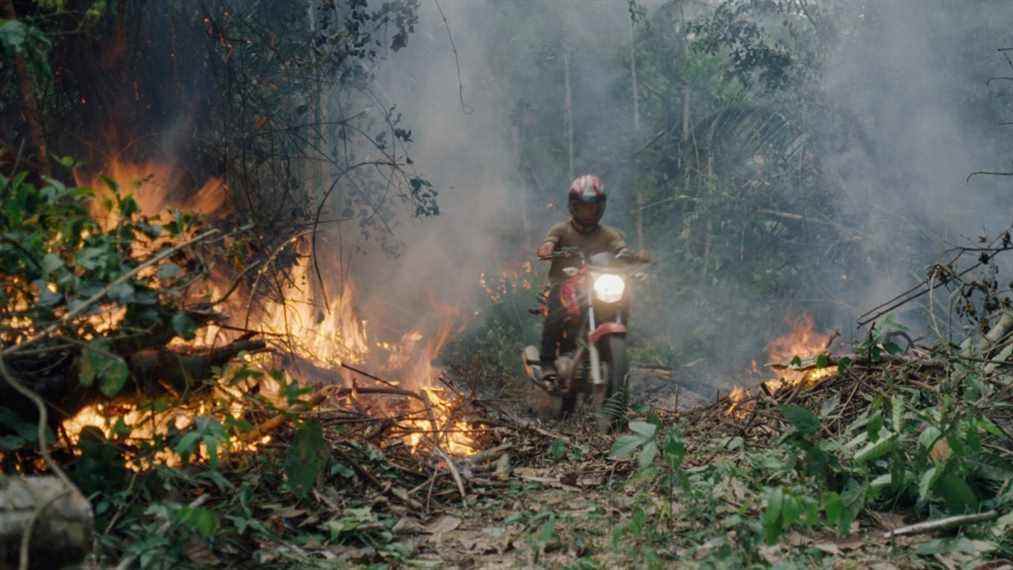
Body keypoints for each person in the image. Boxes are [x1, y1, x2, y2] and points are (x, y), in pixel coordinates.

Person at [535, 175, 629, 378]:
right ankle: (547, 363)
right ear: (573, 206)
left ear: (600, 208)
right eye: (584, 207)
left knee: (623, 297)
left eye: (593, 207)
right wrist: (547, 248)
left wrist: (629, 256)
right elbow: (550, 242)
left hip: (595, 285)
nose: (588, 211)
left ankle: (611, 349)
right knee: (555, 311)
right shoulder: (561, 229)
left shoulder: (609, 234)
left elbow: (620, 248)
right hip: (564, 284)